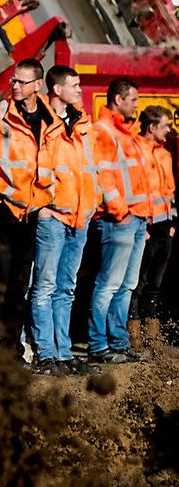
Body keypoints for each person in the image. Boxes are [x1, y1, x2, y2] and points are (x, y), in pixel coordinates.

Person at [0, 58, 58, 358]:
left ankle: (9, 348)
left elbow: (55, 166)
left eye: (21, 82)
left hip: (31, 212)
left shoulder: (51, 121)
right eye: (13, 81)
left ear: (37, 85)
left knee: (18, 286)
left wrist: (47, 200)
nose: (14, 86)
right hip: (3, 209)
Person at [27, 66, 101, 374]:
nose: (80, 90)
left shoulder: (82, 123)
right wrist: (41, 207)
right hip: (53, 216)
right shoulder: (41, 121)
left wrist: (91, 204)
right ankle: (46, 353)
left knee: (66, 287)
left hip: (78, 216)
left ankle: (62, 352)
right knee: (44, 286)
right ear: (57, 90)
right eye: (75, 85)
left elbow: (90, 168)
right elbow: (30, 166)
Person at [87, 79, 151, 363]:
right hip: (119, 219)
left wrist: (140, 214)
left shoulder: (126, 133)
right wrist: (120, 210)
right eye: (133, 99)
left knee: (126, 285)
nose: (137, 105)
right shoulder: (103, 131)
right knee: (109, 284)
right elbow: (104, 176)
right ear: (117, 99)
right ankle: (99, 345)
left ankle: (118, 342)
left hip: (135, 218)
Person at [128, 105, 175, 349]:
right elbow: (135, 190)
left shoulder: (164, 154)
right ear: (152, 127)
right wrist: (141, 224)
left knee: (155, 286)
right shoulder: (136, 152)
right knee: (138, 284)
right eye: (165, 125)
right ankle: (134, 336)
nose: (169, 129)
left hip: (164, 228)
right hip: (144, 227)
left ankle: (152, 336)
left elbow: (169, 191)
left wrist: (172, 223)